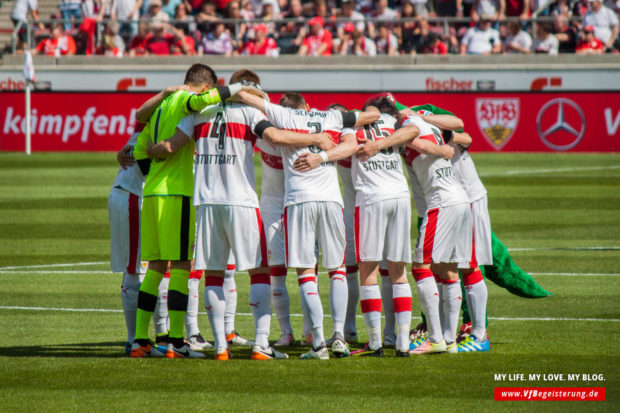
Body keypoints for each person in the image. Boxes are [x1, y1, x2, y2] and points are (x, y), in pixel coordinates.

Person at [149, 72, 334, 361]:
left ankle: (221, 347)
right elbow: (274, 136)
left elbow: (172, 144)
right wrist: (317, 138)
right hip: (242, 202)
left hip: (207, 203)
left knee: (213, 273)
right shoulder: (249, 113)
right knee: (259, 270)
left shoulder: (199, 113)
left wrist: (148, 150)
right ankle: (261, 345)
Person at [236, 91, 380, 359]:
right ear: (308, 106)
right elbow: (373, 115)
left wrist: (243, 93)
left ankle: (317, 344)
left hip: (299, 201)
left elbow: (249, 100)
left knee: (304, 274)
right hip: (331, 200)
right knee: (336, 270)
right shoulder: (333, 116)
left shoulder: (282, 115)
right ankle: (338, 335)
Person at [129, 64, 245, 359]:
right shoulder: (184, 100)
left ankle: (141, 341)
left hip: (152, 192)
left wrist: (154, 169)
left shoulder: (160, 107)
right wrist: (240, 87)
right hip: (176, 193)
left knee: (155, 268)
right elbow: (199, 101)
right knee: (181, 266)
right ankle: (177, 343)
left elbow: (140, 149)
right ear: (206, 86)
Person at [338, 97, 414, 357]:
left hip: (371, 198)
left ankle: (375, 343)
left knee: (368, 270)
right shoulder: (393, 122)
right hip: (401, 196)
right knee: (398, 270)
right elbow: (413, 129)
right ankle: (402, 345)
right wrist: (383, 143)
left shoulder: (350, 126)